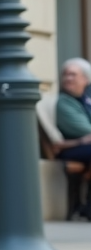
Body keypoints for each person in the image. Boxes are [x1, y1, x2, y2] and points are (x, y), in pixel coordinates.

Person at [53, 57, 91, 217]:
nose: (68, 78)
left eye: (73, 75)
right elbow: (84, 129)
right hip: (70, 149)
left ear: (86, 79)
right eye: (66, 75)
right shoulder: (64, 102)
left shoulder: (86, 100)